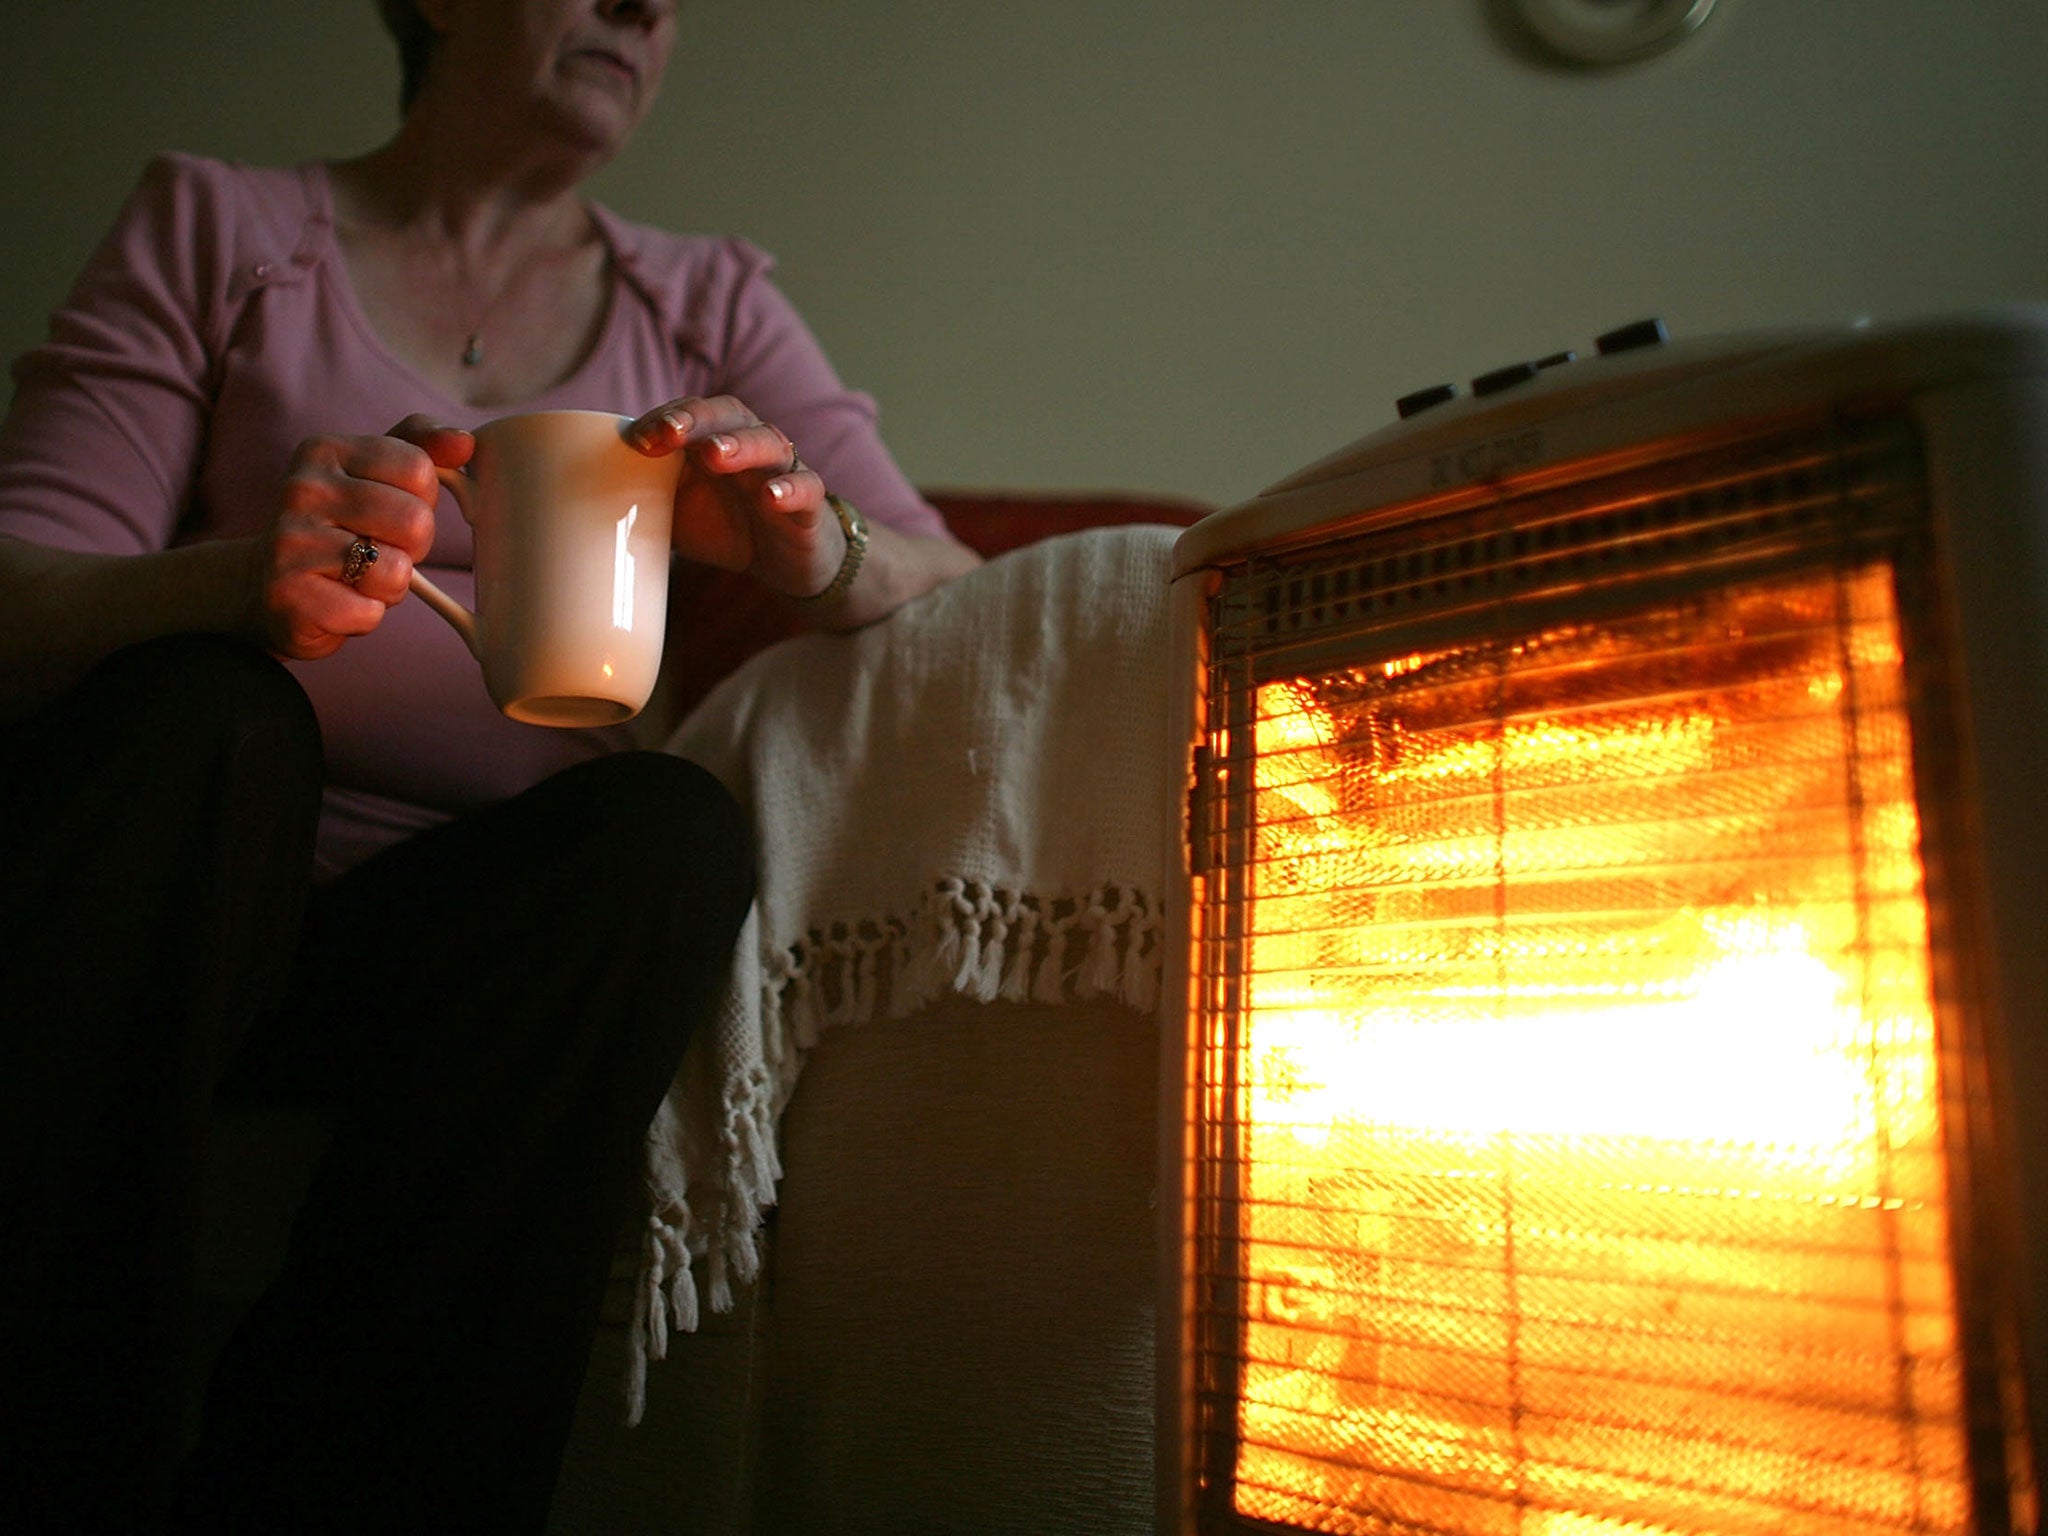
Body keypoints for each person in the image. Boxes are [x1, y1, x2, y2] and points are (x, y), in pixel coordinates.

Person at [0, 0, 980, 1530]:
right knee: (214, 711)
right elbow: (21, 591)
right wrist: (237, 581)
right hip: (182, 903)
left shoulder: (704, 300)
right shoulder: (223, 224)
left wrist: (809, 543)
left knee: (662, 830)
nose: (645, 9)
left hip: (466, 948)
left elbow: (957, 580)